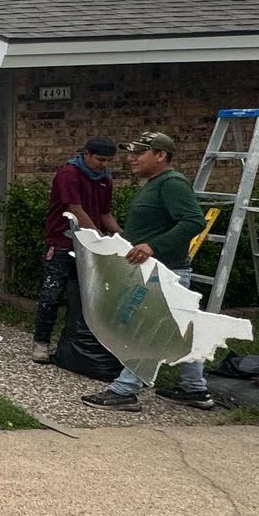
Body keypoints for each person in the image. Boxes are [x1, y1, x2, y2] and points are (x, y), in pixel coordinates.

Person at [82, 130, 212, 412]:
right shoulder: (156, 183)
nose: (131, 159)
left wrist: (152, 246)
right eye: (130, 153)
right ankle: (195, 390)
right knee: (181, 331)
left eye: (138, 153)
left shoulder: (172, 183)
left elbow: (193, 222)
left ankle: (124, 391)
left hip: (165, 273)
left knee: (145, 330)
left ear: (160, 155)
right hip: (158, 271)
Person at [32, 137, 120, 362]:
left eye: (109, 161)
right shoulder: (69, 174)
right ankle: (40, 342)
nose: (104, 165)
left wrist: (122, 238)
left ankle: (73, 344)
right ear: (86, 154)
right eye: (101, 160)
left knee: (87, 296)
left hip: (90, 246)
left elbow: (104, 214)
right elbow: (75, 210)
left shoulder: (105, 178)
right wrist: (99, 239)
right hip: (62, 242)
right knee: (52, 293)